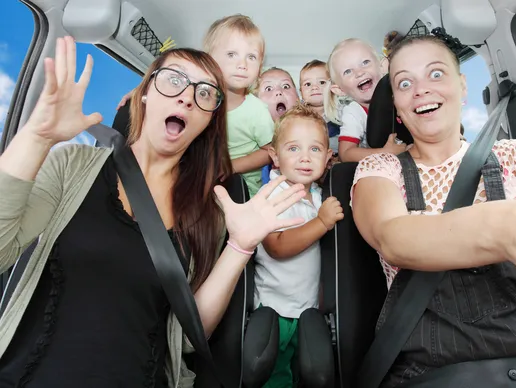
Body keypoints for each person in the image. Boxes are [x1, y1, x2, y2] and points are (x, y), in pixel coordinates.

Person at [0, 37, 305, 388]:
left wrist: (240, 246)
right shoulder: (73, 164)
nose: (187, 96)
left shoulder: (211, 212)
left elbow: (188, 335)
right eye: (174, 79)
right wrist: (37, 137)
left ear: (209, 120)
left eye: (205, 93)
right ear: (145, 91)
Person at [351, 33, 516, 386]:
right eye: (405, 82)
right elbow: (392, 235)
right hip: (434, 372)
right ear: (397, 107)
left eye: (435, 74)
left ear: (463, 86)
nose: (421, 89)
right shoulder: (381, 169)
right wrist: (513, 224)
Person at [118, 14, 274, 197]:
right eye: (232, 54)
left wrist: (231, 166)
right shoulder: (195, 101)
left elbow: (269, 151)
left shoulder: (257, 111)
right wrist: (140, 91)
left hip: (242, 189)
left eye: (252, 57)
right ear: (210, 61)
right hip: (200, 177)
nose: (242, 64)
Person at [253, 103, 343, 387]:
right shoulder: (273, 196)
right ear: (274, 157)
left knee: (304, 376)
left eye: (315, 149)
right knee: (274, 376)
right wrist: (322, 223)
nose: (305, 157)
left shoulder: (318, 197)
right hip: (275, 310)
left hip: (307, 311)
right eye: (293, 149)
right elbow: (277, 247)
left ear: (328, 157)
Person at [323, 38, 408, 162]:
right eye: (348, 71)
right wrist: (384, 153)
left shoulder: (401, 94)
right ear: (340, 89)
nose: (359, 73)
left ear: (383, 66)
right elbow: (345, 153)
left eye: (365, 62)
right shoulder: (354, 112)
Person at [299, 59, 340, 155]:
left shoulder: (341, 112)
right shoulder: (298, 116)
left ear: (333, 87)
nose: (314, 87)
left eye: (322, 82)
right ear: (301, 92)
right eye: (308, 84)